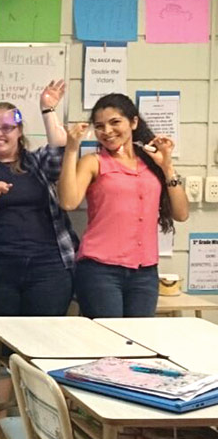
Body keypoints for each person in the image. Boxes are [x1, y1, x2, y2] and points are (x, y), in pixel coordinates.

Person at [58, 93, 189, 317]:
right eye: (99, 126)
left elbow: (181, 213)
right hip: (100, 271)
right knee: (107, 345)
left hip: (145, 273)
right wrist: (71, 148)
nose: (107, 131)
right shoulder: (94, 162)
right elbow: (68, 201)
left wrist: (167, 167)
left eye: (115, 122)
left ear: (134, 122)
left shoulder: (152, 164)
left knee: (138, 345)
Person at [0, 81, 77, 320]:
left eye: (7, 127)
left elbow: (61, 149)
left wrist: (47, 109)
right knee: (0, 343)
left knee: (43, 341)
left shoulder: (38, 162)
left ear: (20, 131)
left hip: (48, 267)